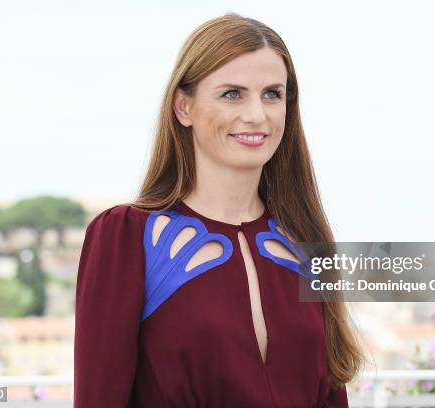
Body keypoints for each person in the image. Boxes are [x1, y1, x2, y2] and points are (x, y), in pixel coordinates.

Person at [74, 13, 364, 407]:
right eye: (232, 94)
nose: (256, 115)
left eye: (272, 94)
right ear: (183, 107)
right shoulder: (128, 235)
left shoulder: (304, 241)